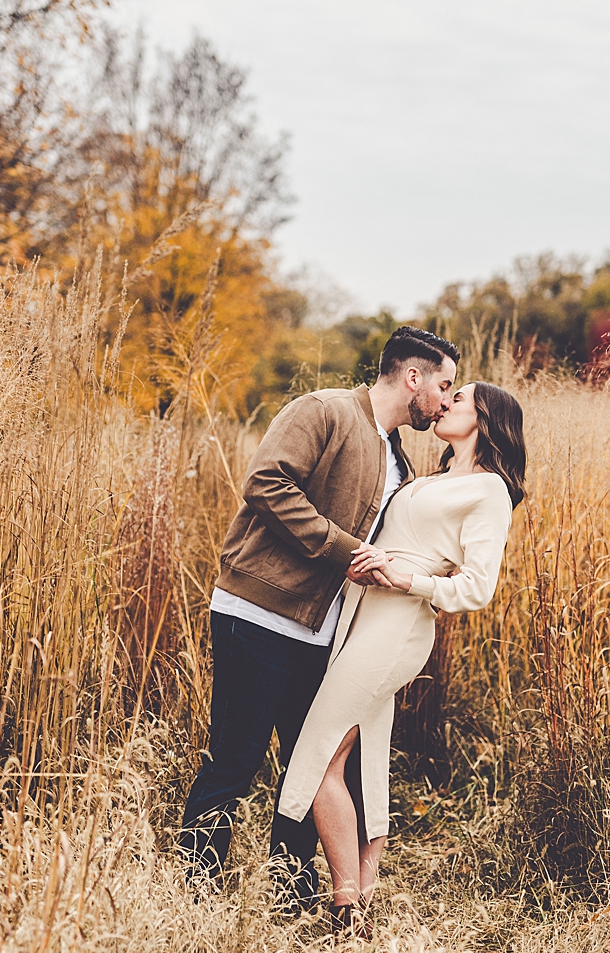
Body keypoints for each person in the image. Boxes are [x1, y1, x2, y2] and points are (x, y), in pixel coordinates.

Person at [178, 327, 458, 908]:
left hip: (322, 636)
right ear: (413, 377)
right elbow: (266, 481)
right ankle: (193, 897)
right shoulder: (324, 411)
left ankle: (292, 899)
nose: (445, 399)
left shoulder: (399, 462)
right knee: (235, 759)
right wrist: (344, 550)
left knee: (307, 769)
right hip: (258, 613)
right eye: (444, 384)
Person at [276, 381, 526, 930]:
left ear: (484, 418)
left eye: (457, 397)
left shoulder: (489, 491)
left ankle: (345, 907)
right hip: (359, 615)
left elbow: (477, 589)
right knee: (366, 763)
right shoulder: (429, 478)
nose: (444, 403)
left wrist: (406, 578)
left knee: (318, 756)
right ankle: (363, 895)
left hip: (398, 625)